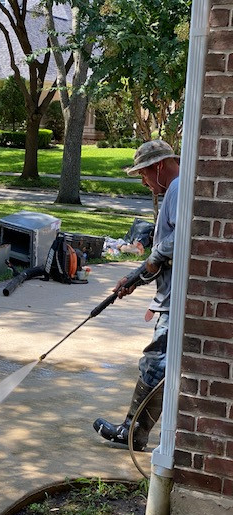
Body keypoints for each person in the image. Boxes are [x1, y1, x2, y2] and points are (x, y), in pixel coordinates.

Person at [93, 140, 180, 451]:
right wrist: (137, 278)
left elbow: (177, 240)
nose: (143, 182)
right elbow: (164, 254)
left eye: (143, 174)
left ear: (157, 166)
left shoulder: (178, 188)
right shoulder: (174, 189)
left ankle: (132, 432)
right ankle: (135, 431)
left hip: (177, 302)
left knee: (156, 364)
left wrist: (148, 263)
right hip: (171, 297)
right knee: (158, 364)